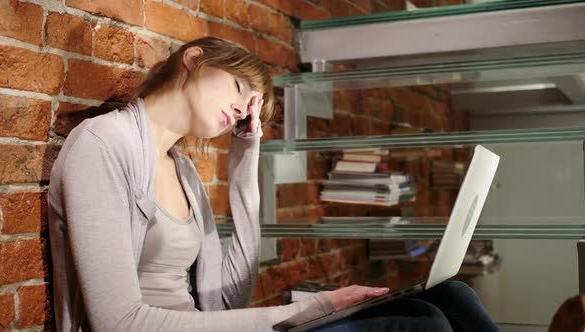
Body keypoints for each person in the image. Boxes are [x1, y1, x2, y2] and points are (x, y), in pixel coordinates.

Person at [47, 36, 498, 331]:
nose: (242, 111)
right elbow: (117, 321)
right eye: (240, 87)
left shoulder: (183, 172)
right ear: (193, 59)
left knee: (448, 296)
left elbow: (228, 300)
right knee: (422, 325)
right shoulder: (103, 143)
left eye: (252, 107)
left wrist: (245, 162)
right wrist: (308, 309)